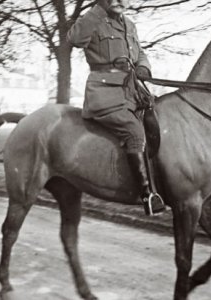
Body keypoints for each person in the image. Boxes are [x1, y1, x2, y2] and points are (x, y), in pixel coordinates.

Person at [67, 0, 165, 215]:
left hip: (131, 92)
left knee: (158, 122)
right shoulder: (93, 19)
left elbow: (139, 53)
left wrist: (143, 67)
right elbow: (75, 39)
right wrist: (99, 9)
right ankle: (147, 194)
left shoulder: (129, 24)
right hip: (104, 95)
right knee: (134, 131)